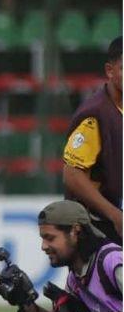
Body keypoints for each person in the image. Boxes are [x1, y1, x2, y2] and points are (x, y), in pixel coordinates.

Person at [61, 37, 122, 245]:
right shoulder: (96, 115)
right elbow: (72, 174)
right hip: (100, 228)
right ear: (110, 71)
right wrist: (115, 215)